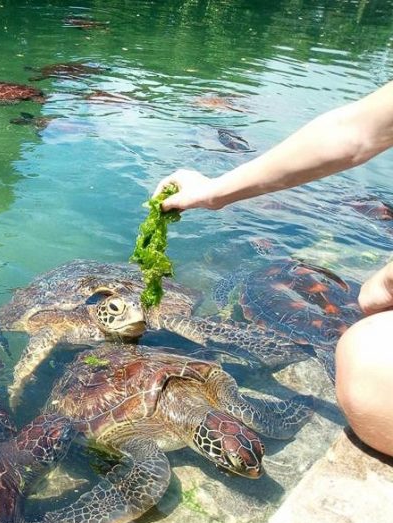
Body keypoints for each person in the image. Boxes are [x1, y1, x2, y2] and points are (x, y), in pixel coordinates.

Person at [153, 80, 393, 456]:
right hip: (337, 298)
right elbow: (353, 133)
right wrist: (215, 192)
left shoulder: (252, 276)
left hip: (337, 326)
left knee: (362, 360)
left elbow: (354, 132)